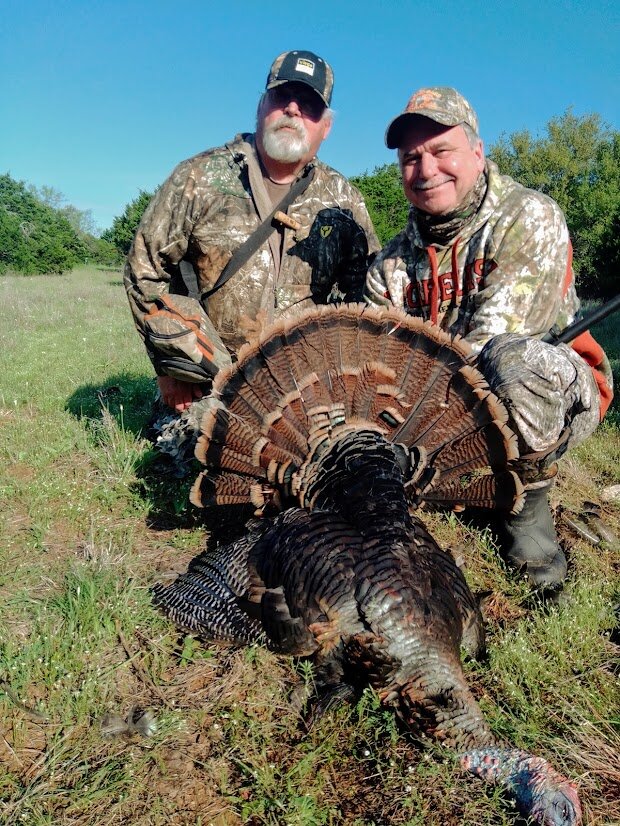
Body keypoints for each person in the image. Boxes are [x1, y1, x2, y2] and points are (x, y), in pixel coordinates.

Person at [366, 86, 613, 592]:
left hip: (545, 396)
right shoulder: (388, 264)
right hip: (435, 411)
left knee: (512, 361)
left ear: (477, 153)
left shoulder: (528, 216)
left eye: (441, 151)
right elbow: (378, 364)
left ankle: (526, 512)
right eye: (411, 158)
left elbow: (487, 349)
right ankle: (449, 485)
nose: (426, 169)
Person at [125, 50, 380, 472]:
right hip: (211, 383)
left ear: (326, 127)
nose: (294, 109)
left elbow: (367, 294)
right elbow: (144, 270)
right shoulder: (198, 177)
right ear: (262, 106)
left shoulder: (344, 199)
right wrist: (170, 367)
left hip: (306, 390)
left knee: (334, 471)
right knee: (214, 464)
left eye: (310, 105)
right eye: (282, 97)